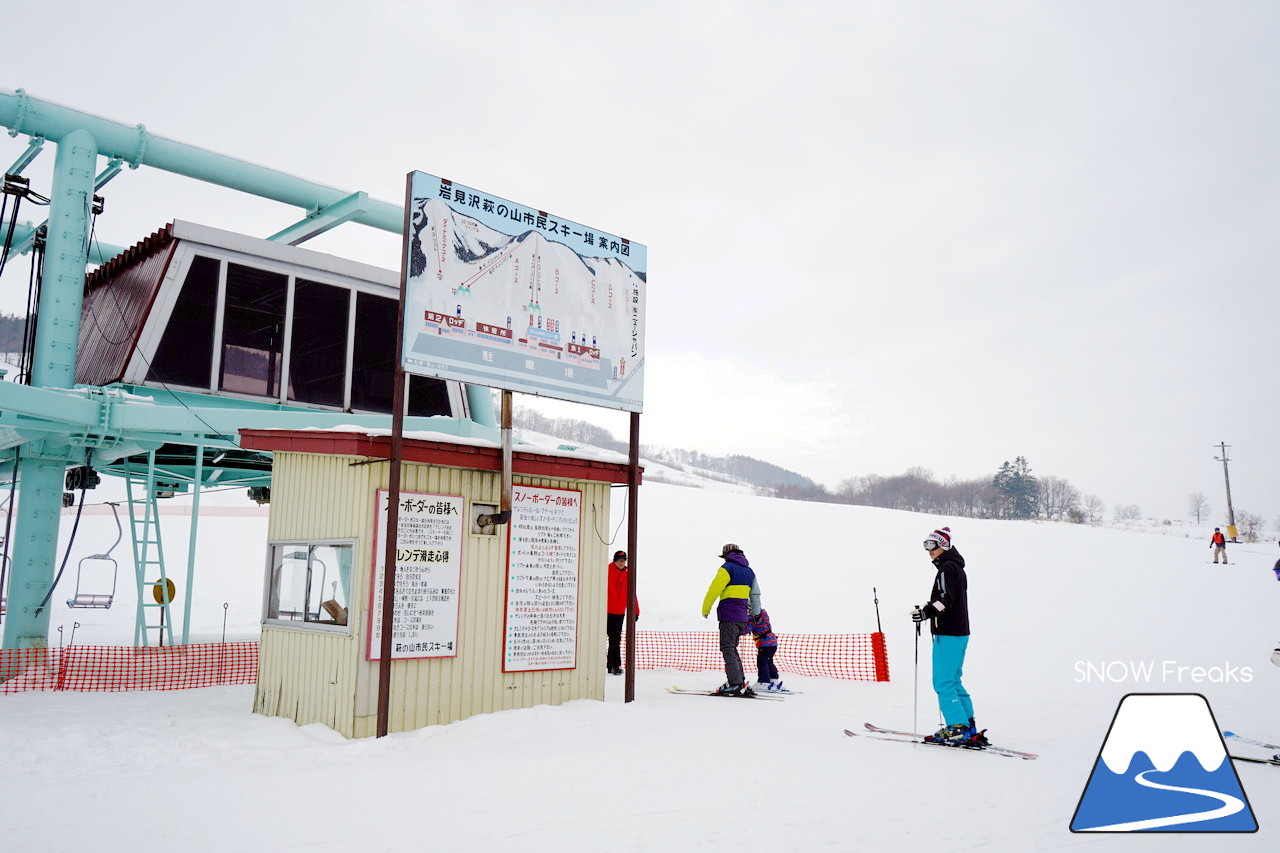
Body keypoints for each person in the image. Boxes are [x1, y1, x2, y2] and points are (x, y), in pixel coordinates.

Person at [912, 527, 987, 747]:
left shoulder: (947, 568)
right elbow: (949, 598)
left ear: (942, 545)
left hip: (949, 632)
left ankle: (956, 727)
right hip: (959, 632)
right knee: (954, 680)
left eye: (931, 546)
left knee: (943, 681)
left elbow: (945, 599)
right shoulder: (955, 567)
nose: (928, 551)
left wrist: (925, 612)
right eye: (925, 546)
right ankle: (967, 725)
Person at [701, 543, 761, 696]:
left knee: (727, 648)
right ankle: (739, 680)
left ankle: (735, 683)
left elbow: (714, 589)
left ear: (726, 555)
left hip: (728, 616)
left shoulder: (727, 569)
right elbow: (755, 595)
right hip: (742, 617)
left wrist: (705, 609)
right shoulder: (749, 572)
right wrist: (756, 614)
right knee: (732, 648)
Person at [606, 550, 638, 675]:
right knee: (615, 638)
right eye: (620, 560)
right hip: (608, 611)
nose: (622, 563)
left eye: (624, 560)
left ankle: (611, 665)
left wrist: (635, 610)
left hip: (620, 613)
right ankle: (615, 665)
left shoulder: (627, 574)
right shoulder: (607, 572)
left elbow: (632, 594)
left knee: (615, 639)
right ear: (614, 560)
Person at [749, 608, 784, 692]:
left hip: (765, 643)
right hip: (772, 642)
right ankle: (773, 679)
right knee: (769, 661)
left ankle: (763, 682)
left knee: (762, 662)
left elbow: (748, 628)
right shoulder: (764, 615)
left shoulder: (753, 619)